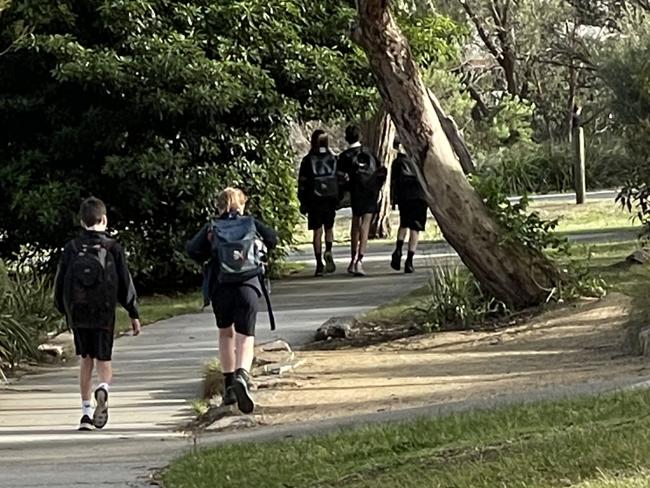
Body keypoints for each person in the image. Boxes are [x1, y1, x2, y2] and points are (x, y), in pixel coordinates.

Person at [186, 188, 278, 414]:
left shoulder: (212, 227)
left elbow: (192, 250)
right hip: (249, 286)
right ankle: (242, 375)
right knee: (245, 336)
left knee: (226, 333)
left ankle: (229, 387)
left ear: (218, 207)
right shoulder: (251, 223)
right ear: (243, 205)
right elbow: (273, 240)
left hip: (221, 288)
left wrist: (211, 253)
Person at [54, 197, 141, 431]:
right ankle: (103, 388)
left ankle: (85, 413)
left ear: (82, 222)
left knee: (85, 361)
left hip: (79, 315)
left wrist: (65, 311)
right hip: (103, 314)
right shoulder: (112, 248)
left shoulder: (72, 248)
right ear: (104, 220)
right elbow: (125, 282)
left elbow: (60, 283)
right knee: (104, 361)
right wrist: (133, 312)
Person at [338, 125, 386, 276]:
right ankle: (360, 259)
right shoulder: (369, 153)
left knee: (355, 224)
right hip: (370, 191)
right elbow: (380, 170)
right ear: (360, 137)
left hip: (356, 192)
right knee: (365, 225)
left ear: (346, 138)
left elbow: (339, 177)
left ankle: (353, 259)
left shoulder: (345, 156)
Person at [298, 130, 338, 277]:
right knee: (329, 228)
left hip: (314, 199)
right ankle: (329, 249)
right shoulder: (333, 159)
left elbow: (302, 183)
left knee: (317, 231)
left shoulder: (307, 160)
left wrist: (302, 201)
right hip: (330, 198)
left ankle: (319, 263)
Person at [390, 139, 428, 273]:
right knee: (415, 229)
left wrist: (393, 201)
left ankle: (398, 249)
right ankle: (409, 260)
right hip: (419, 195)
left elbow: (393, 182)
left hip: (404, 196)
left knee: (404, 223)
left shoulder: (398, 162)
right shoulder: (419, 160)